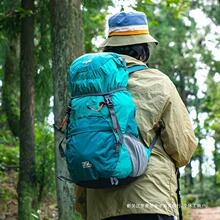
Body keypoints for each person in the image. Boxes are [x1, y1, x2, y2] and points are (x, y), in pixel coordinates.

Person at [86, 11, 197, 220]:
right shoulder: (158, 83)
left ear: (109, 47)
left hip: (99, 205)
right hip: (150, 200)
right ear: (143, 50)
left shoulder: (90, 87)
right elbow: (182, 150)